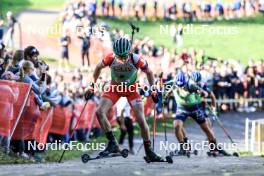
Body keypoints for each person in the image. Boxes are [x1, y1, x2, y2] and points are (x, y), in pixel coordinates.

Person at [85, 37, 163, 161]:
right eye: (118, 56)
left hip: (131, 90)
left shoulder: (136, 59)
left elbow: (149, 72)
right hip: (114, 89)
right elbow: (98, 68)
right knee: (99, 112)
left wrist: (153, 89)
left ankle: (149, 152)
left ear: (129, 52)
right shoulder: (110, 58)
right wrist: (92, 86)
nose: (121, 59)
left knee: (141, 120)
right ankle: (113, 144)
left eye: (123, 56)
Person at [169, 71, 225, 156]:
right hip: (182, 109)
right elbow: (159, 86)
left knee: (206, 128)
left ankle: (214, 148)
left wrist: (203, 94)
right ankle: (183, 147)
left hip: (194, 109)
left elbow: (207, 93)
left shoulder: (192, 85)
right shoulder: (172, 83)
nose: (181, 88)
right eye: (178, 87)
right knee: (177, 126)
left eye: (183, 86)